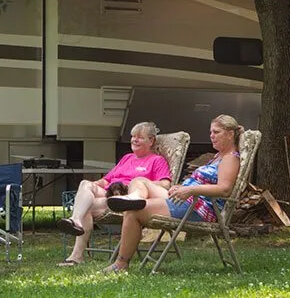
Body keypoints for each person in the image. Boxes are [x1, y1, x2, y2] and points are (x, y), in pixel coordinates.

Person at [100, 114, 244, 272]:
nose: (211, 136)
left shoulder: (230, 159)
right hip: (187, 200)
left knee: (133, 213)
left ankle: (121, 264)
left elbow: (224, 189)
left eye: (216, 132)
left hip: (198, 208)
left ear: (230, 134)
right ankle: (134, 198)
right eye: (211, 132)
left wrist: (190, 189)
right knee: (139, 180)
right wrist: (180, 187)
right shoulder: (218, 157)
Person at [55, 122, 172, 267]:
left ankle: (76, 256)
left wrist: (140, 184)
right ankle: (75, 220)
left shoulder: (156, 161)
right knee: (85, 184)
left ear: (151, 141)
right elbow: (107, 180)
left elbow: (165, 184)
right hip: (110, 194)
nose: (134, 140)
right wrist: (93, 186)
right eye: (133, 136)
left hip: (127, 199)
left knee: (87, 208)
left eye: (140, 137)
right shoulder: (127, 158)